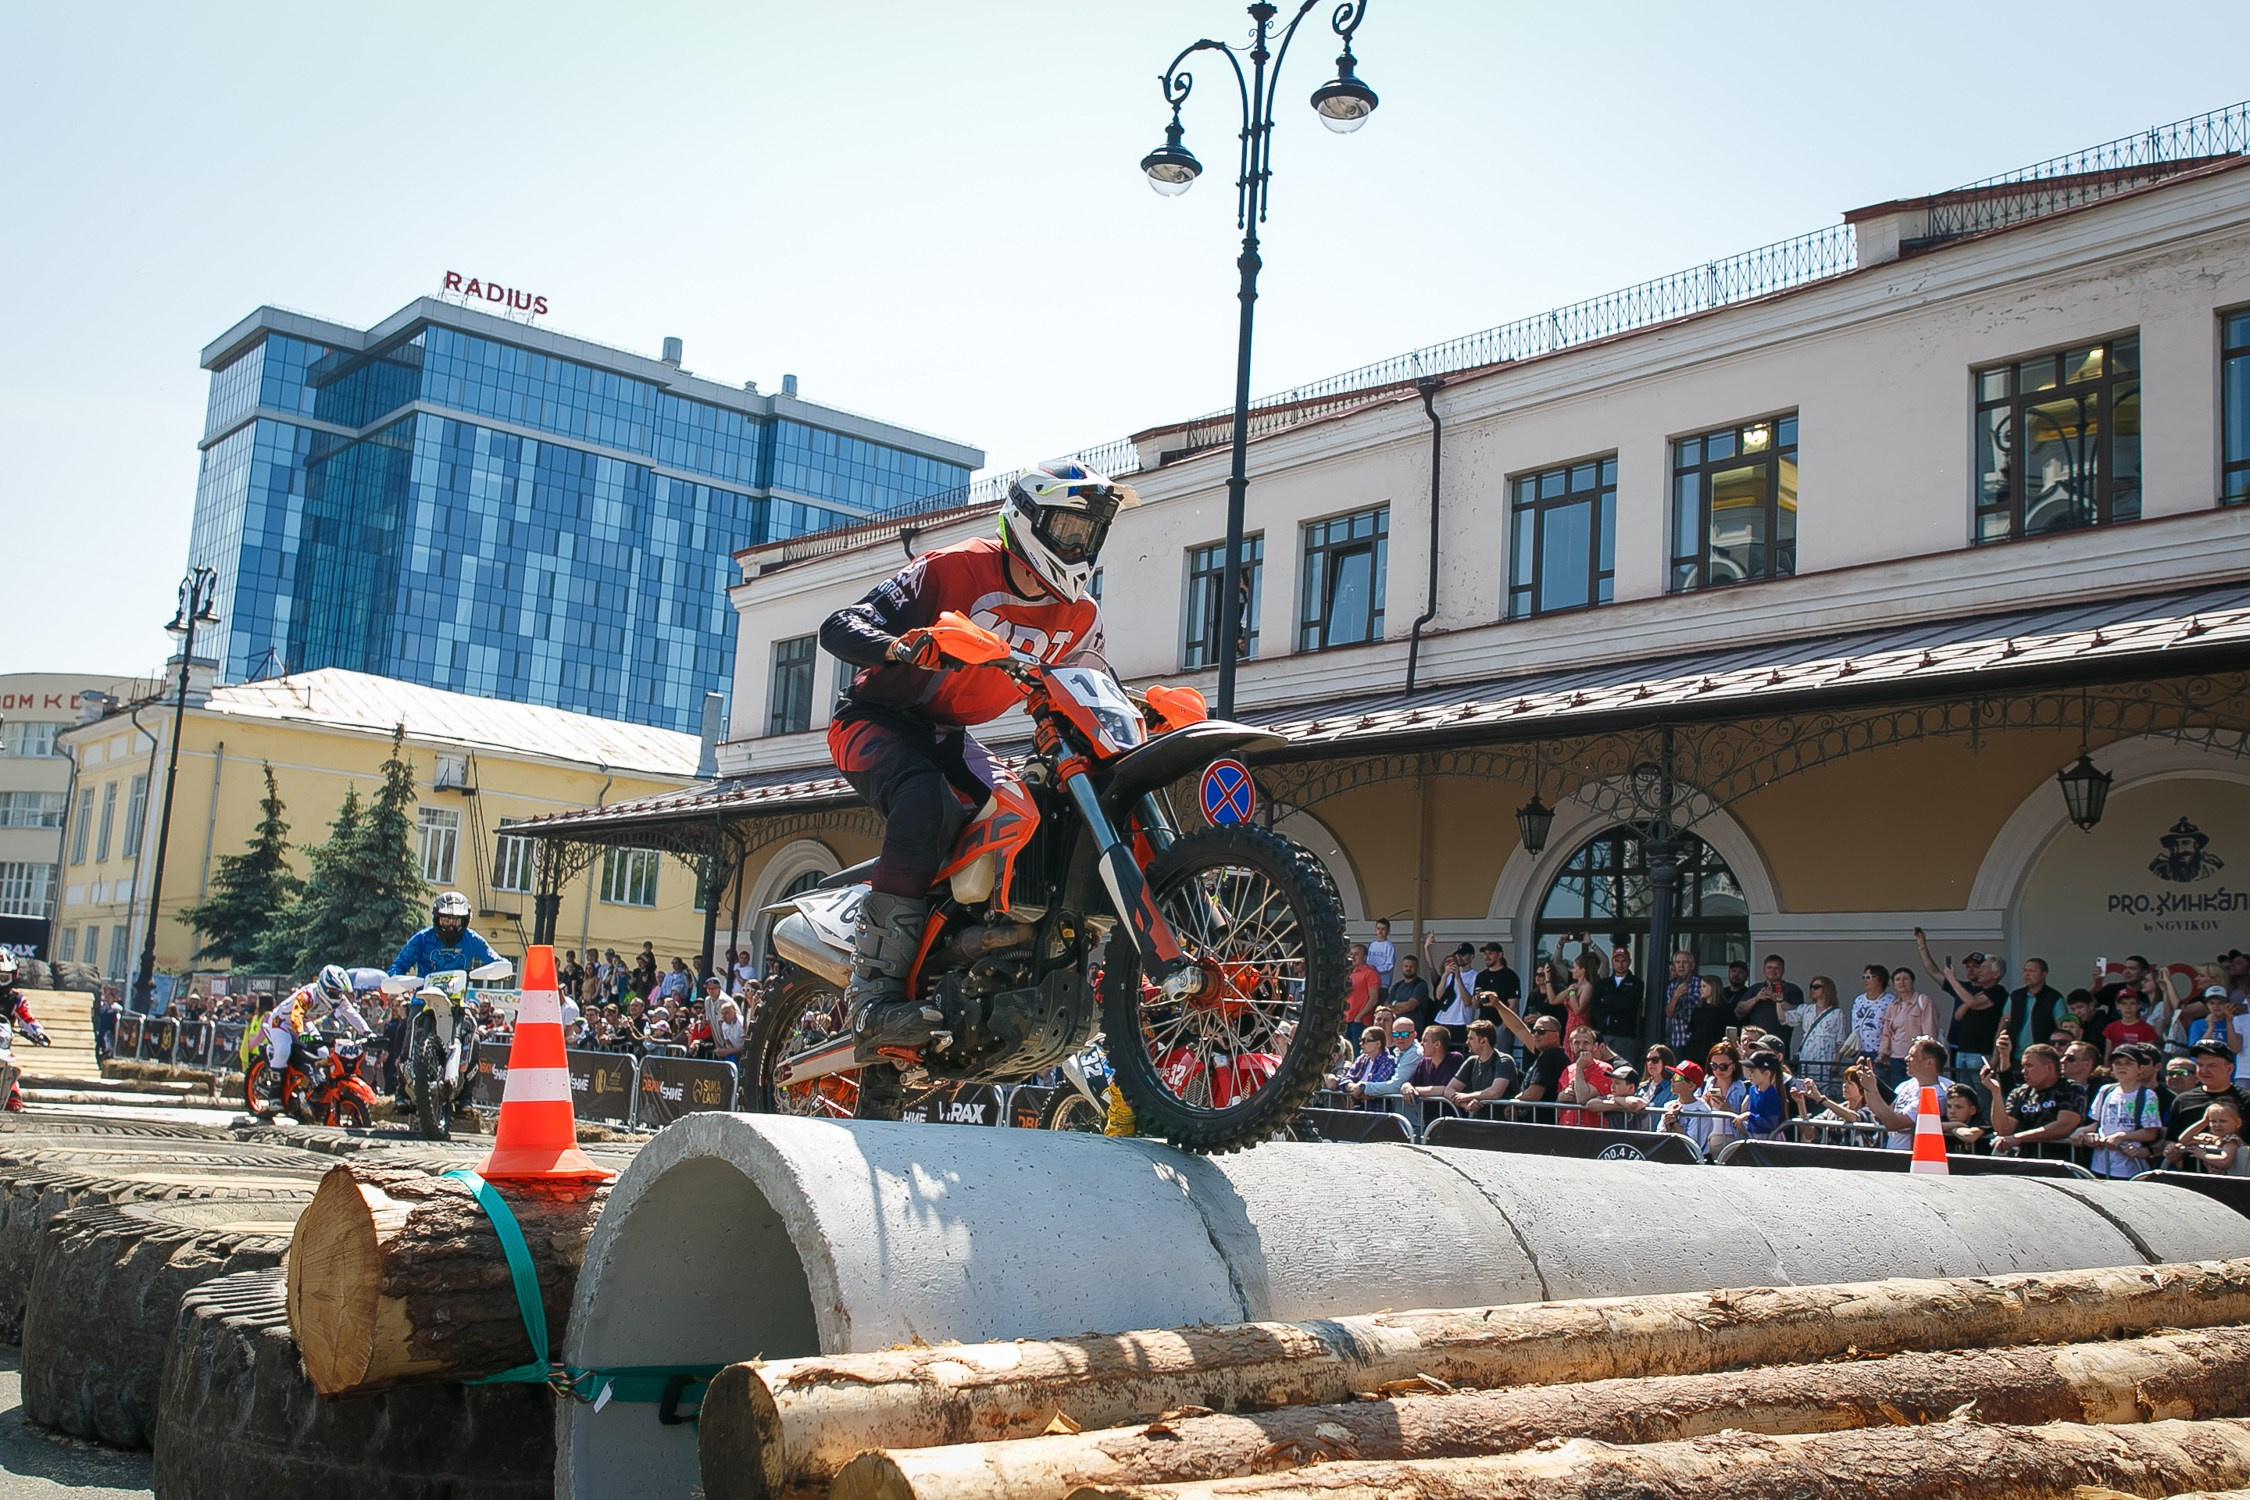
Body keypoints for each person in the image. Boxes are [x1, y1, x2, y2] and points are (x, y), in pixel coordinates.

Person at [819, 462, 1134, 1091]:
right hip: (876, 720)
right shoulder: (952, 567)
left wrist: (1132, 709)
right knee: (925, 801)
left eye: (1090, 532)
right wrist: (903, 646)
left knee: (1030, 818)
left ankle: (971, 957)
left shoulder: (1080, 614)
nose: (1079, 545)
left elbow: (1090, 683)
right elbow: (839, 626)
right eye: (1069, 527)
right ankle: (874, 993)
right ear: (1027, 520)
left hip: (953, 739)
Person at [2075, 1043, 2166, 1180]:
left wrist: (2121, 1136)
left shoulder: (2147, 1095)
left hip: (2130, 1164)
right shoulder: (2105, 1091)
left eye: (2128, 1063)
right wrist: (2086, 1133)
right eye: (2117, 1063)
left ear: (2140, 1068)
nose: (2122, 1067)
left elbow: (2150, 1133)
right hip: (2100, 1163)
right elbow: (2097, 1124)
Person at [1984, 1041, 2087, 1158]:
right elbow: (2004, 1130)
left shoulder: (2071, 1089)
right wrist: (1996, 1092)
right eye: (2023, 1066)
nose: (2024, 1071)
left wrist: (2018, 1138)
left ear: (2049, 1068)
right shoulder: (2020, 1092)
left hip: (2060, 1163)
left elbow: (2064, 1126)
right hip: (2027, 1162)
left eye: (2029, 1066)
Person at [264, 964, 353, 1084]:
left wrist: (368, 1033)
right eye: (334, 991)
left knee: (324, 1053)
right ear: (324, 986)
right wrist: (301, 1034)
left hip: (305, 1024)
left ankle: (310, 1085)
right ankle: (275, 1093)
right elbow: (296, 1015)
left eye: (339, 992)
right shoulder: (307, 995)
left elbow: (353, 1015)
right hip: (282, 1023)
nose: (337, 995)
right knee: (283, 1050)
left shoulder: (340, 1000)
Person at [389, 891, 499, 977]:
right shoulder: (422, 939)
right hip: (423, 999)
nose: (451, 927)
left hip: (457, 999)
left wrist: (503, 968)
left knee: (468, 1007)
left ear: (465, 921)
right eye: (446, 921)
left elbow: (495, 959)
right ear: (437, 919)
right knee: (416, 1007)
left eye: (456, 922)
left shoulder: (472, 939)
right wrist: (395, 978)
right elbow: (399, 965)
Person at [1781, 976, 1849, 1090]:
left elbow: (1840, 1040)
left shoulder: (1837, 1013)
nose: (1813, 989)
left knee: (1825, 1087)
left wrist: (1836, 1062)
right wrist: (1778, 1002)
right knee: (1805, 1085)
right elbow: (1784, 1018)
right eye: (1811, 987)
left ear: (1826, 989)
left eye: (1816, 987)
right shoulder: (1806, 1009)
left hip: (1827, 1054)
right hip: (1807, 1054)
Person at [1875, 968, 1936, 1091]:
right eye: (1897, 979)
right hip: (1896, 1058)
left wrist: (1927, 1053)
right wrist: (1882, 1054)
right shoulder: (1893, 1006)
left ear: (1912, 982)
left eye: (1905, 979)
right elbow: (1887, 1034)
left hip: (1917, 1057)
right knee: (1898, 1092)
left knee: (1916, 1090)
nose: (1901, 982)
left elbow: (1929, 1029)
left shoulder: (1923, 1001)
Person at [1441, 1018, 1517, 1117]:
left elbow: (1495, 1092)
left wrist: (1467, 1096)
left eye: (1471, 1038)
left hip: (1502, 1126)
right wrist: (1466, 1105)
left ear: (1483, 1041)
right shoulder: (1471, 1062)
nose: (1467, 1042)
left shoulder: (1504, 1061)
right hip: (1478, 1124)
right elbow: (1449, 1089)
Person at [1592, 945, 1643, 1059]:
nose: (1620, 964)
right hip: (1603, 1033)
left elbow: (1628, 1003)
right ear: (1612, 962)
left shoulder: (1636, 983)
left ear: (1629, 962)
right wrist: (1615, 1001)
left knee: (1623, 1071)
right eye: (1617, 961)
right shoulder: (1603, 983)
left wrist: (1607, 1000)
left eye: (1623, 961)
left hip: (1624, 1035)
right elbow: (1594, 1008)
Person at [2180, 1098, 2250, 1176]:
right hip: (2218, 1182)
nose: (2217, 1125)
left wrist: (2203, 1154)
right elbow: (2184, 1139)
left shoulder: (2230, 1139)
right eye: (2213, 1121)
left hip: (2230, 1183)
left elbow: (2225, 1161)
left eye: (2223, 1121)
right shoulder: (2214, 1140)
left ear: (2238, 1123)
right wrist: (2203, 1121)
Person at [0, 954, 51, 1050]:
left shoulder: (16, 999)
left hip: (2, 1047)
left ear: (13, 976)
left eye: (3, 978)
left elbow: (27, 1018)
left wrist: (38, 1032)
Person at [1386, 954, 1432, 1037]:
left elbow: (1410, 1006)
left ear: (1417, 968)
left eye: (1411, 966)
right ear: (1402, 967)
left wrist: (1394, 1005)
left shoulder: (1421, 985)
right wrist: (1398, 1006)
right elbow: (1387, 1006)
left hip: (1413, 1029)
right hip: (1396, 1028)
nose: (1408, 969)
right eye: (1406, 966)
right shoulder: (1397, 986)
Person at [1365, 918, 1397, 995]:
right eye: (1378, 928)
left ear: (1388, 931)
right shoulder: (1372, 944)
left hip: (1382, 982)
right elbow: (1368, 960)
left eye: (1383, 929)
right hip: (1370, 981)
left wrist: (1377, 969)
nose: (1380, 931)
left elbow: (1389, 965)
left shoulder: (1389, 946)